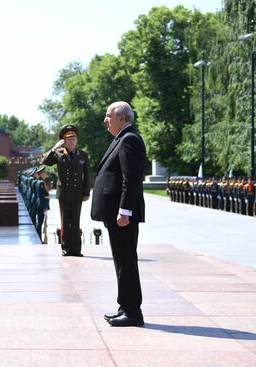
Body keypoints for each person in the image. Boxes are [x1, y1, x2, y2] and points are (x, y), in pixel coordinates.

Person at [91, 101, 146, 327]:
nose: (105, 119)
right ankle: (125, 306)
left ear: (121, 118)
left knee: (126, 261)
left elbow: (130, 179)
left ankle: (133, 312)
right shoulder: (121, 138)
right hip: (116, 214)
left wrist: (124, 211)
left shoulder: (129, 139)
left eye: (108, 116)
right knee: (122, 260)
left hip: (122, 215)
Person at [41, 125, 90, 256]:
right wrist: (54, 147)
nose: (71, 141)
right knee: (64, 221)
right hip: (63, 193)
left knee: (75, 221)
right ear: (63, 141)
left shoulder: (83, 155)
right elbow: (45, 161)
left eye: (73, 139)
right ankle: (66, 248)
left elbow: (87, 175)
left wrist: (86, 193)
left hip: (77, 193)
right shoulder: (58, 154)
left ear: (77, 140)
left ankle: (76, 249)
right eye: (68, 139)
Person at [35, 166, 50, 243]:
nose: (46, 173)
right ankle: (39, 239)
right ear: (41, 174)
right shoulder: (41, 183)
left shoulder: (42, 181)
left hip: (42, 205)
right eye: (44, 172)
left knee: (41, 223)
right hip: (42, 205)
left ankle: (39, 238)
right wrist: (45, 207)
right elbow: (42, 197)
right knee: (40, 223)